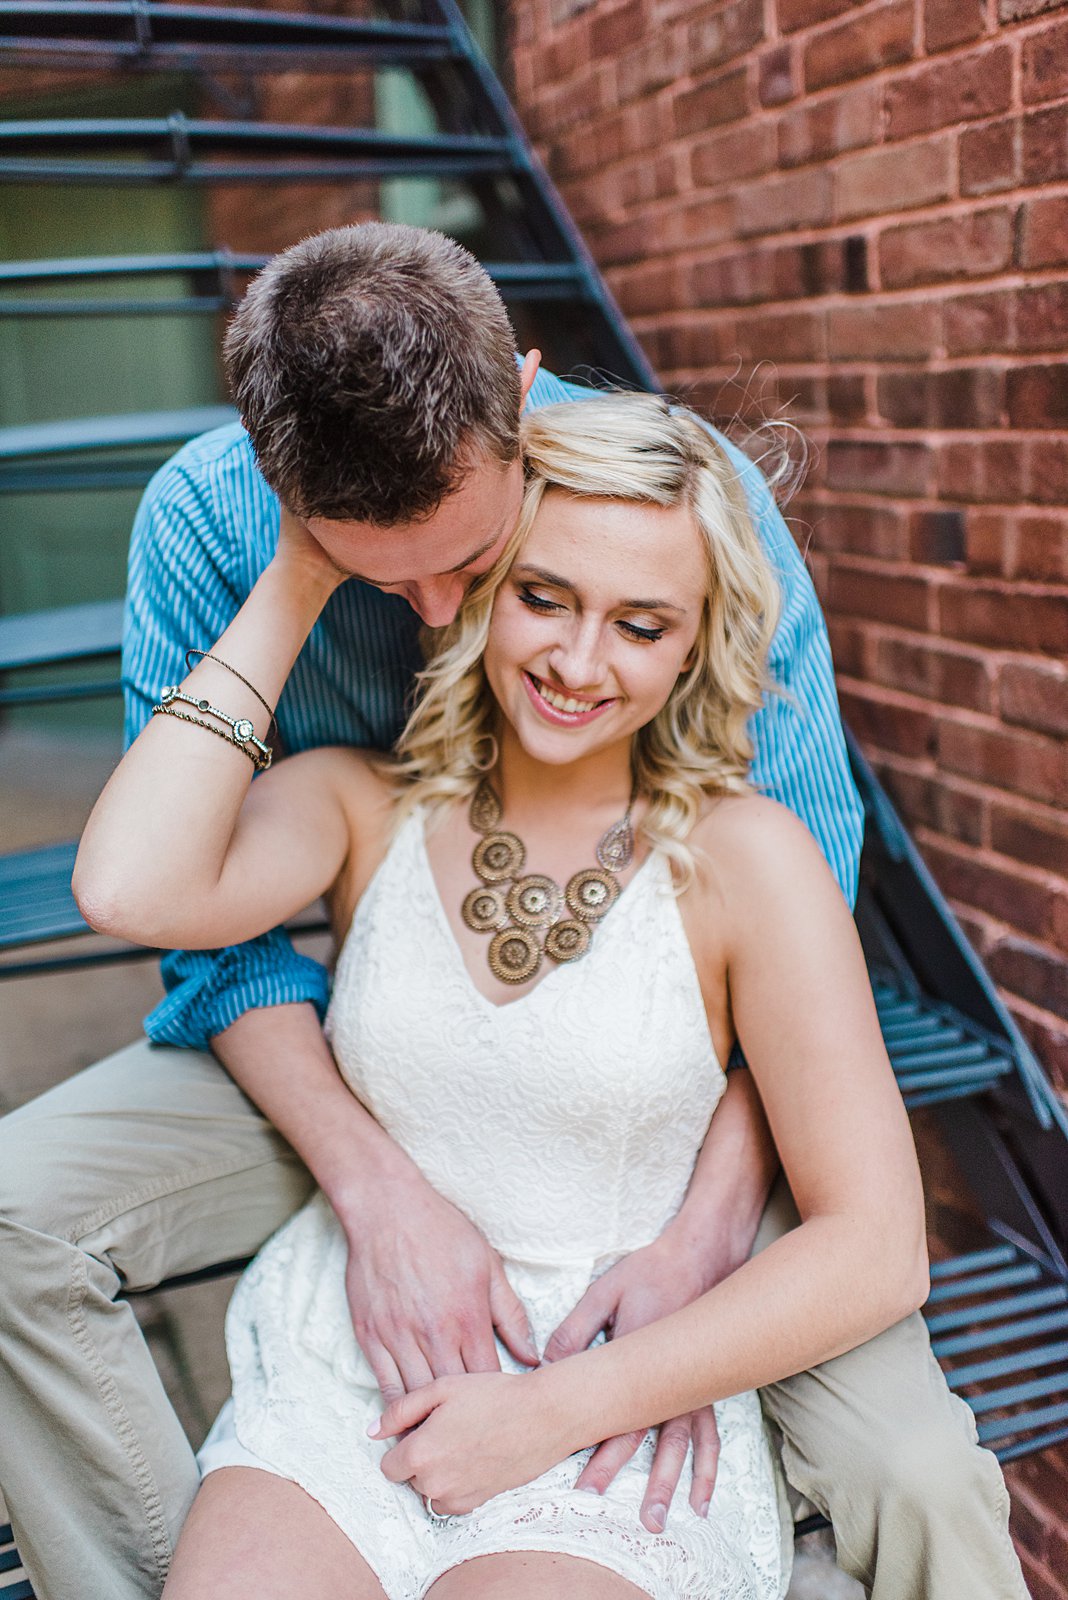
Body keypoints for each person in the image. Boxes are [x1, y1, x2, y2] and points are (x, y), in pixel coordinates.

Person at [0, 224, 1025, 1600]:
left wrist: (698, 1247)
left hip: (657, 1109)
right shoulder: (280, 648)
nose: (437, 615)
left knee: (917, 1470)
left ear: (524, 412)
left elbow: (814, 996)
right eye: (531, 596)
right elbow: (155, 903)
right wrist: (304, 568)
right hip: (373, 1059)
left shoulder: (658, 515)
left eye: (483, 565)